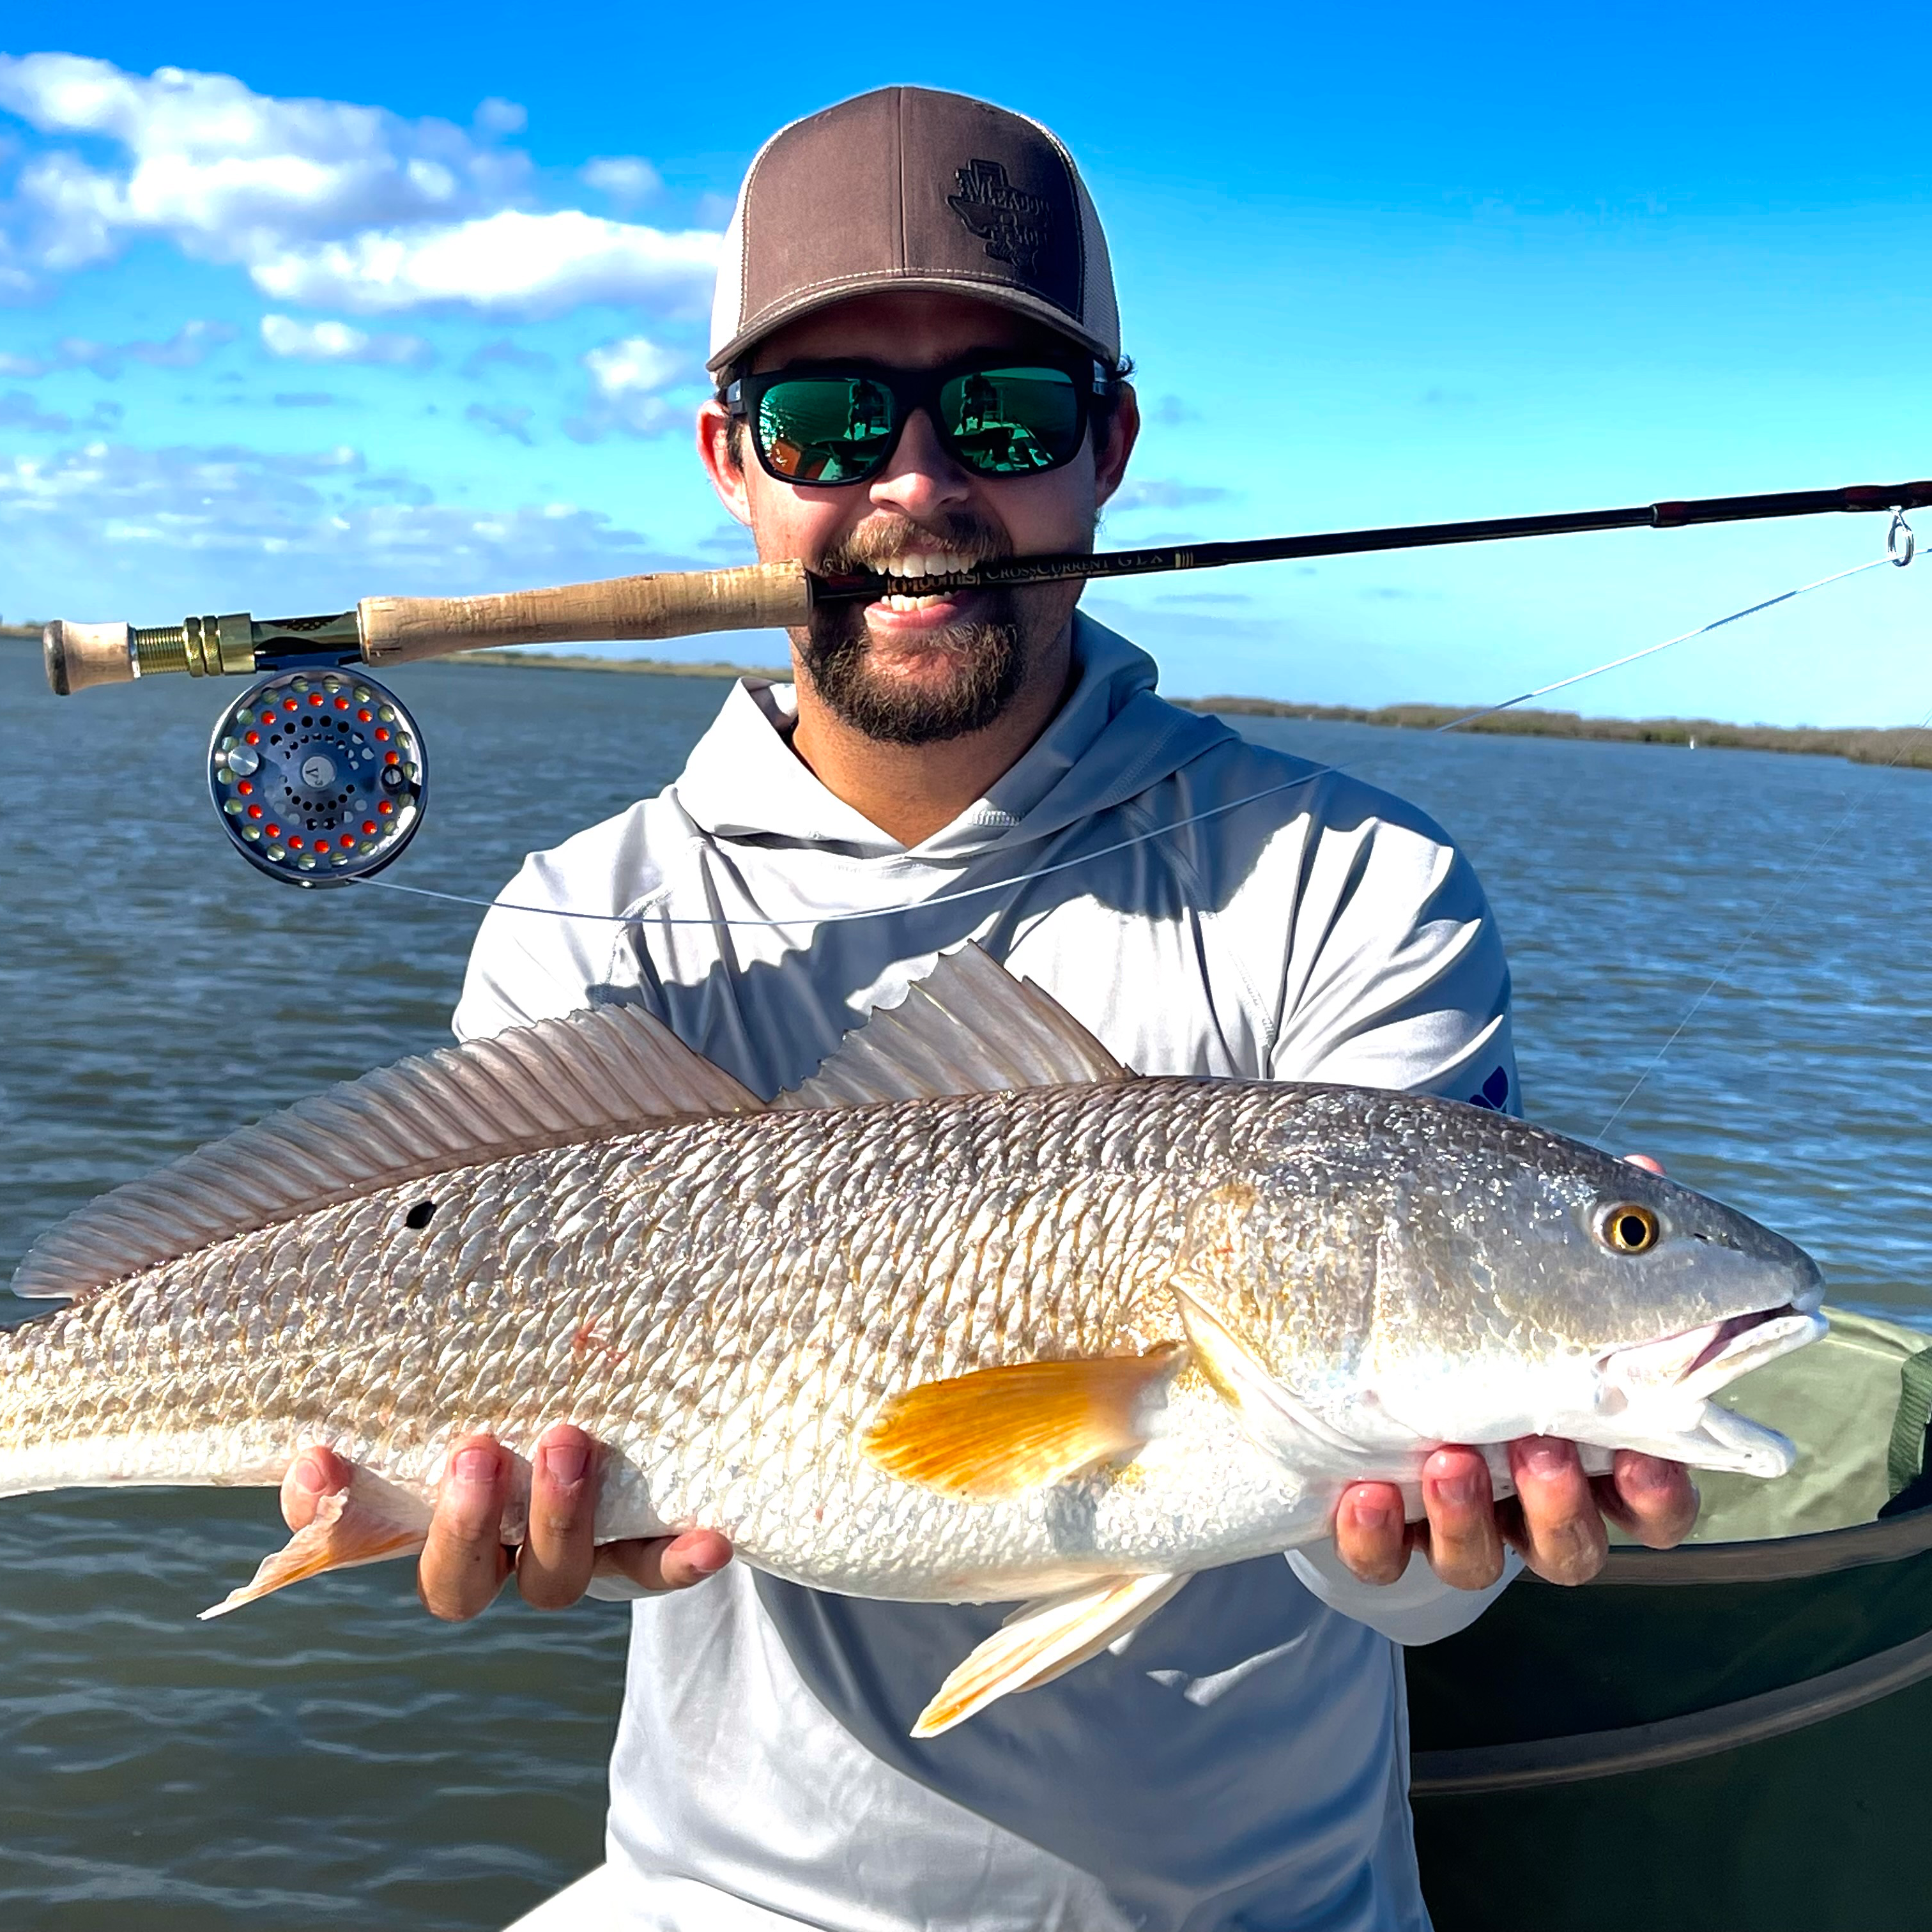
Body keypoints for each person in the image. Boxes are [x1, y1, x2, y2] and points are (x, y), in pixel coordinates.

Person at [285, 86, 1698, 1931]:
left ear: (1107, 445)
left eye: (1010, 413)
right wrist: (530, 1532)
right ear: (733, 459)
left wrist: (1461, 1539)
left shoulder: (1360, 883)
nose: (921, 483)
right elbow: (590, 1511)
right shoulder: (585, 917)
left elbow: (1405, 1565)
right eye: (828, 417)